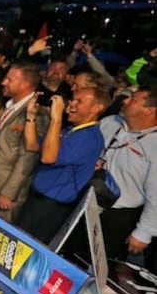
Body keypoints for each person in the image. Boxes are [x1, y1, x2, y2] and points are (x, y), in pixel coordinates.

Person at [17, 88, 109, 244]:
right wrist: (31, 116)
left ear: (96, 108)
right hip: (37, 199)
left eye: (79, 101)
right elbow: (32, 145)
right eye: (73, 99)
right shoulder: (71, 131)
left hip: (50, 208)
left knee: (24, 250)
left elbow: (48, 157)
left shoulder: (89, 138)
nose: (71, 104)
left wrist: (56, 118)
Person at [98, 86, 157, 261]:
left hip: (117, 218)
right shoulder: (110, 122)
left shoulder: (154, 146)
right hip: (85, 202)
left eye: (133, 99)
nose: (124, 101)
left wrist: (144, 233)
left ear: (149, 110)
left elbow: (156, 197)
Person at [0, 61, 49, 222]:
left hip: (8, 195)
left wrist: (8, 193)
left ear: (25, 84)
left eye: (9, 79)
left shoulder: (35, 114)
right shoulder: (11, 105)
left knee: (0, 239)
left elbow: (28, 157)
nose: (4, 82)